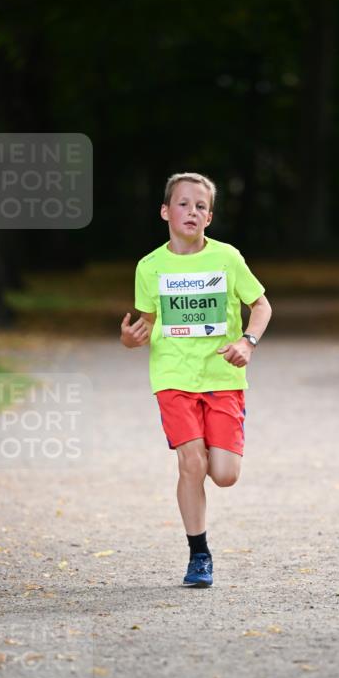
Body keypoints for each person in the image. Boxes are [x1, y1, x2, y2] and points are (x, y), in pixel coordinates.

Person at [120, 172, 272, 587]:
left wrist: (248, 341)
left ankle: (210, 455)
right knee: (192, 463)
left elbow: (260, 305)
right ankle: (198, 555)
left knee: (223, 474)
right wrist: (131, 338)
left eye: (201, 206)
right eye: (183, 204)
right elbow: (146, 323)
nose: (192, 211)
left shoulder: (227, 258)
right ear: (165, 212)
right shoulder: (149, 267)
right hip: (172, 377)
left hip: (223, 376)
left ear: (209, 217)